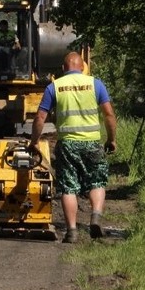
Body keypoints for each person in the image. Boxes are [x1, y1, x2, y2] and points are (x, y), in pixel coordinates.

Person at [28, 51, 117, 243]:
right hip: (93, 142)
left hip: (67, 144)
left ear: (63, 68)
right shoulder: (96, 84)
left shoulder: (55, 87)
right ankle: (95, 216)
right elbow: (109, 114)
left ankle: (72, 232)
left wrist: (34, 141)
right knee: (97, 182)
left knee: (69, 187)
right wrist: (111, 139)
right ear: (83, 67)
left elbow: (40, 117)